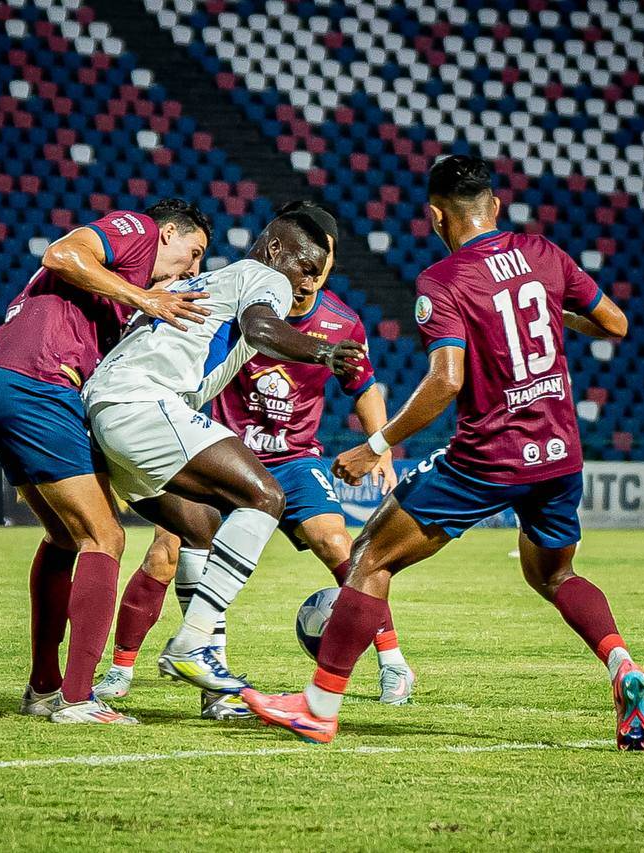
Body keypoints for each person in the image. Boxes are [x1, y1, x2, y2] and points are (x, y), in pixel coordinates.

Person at [242, 155, 644, 751]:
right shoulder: (545, 254)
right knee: (555, 573)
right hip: (559, 453)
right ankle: (621, 664)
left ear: (436, 216)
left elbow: (446, 380)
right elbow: (614, 324)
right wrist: (544, 315)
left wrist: (376, 445)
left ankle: (319, 708)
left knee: (369, 559)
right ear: (496, 206)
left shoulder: (445, 279)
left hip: (489, 456)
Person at [94, 203, 415, 717]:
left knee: (208, 529)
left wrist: (378, 445)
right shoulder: (260, 284)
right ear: (276, 249)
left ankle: (217, 683)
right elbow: (261, 329)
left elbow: (364, 386)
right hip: (183, 424)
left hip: (151, 419)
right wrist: (320, 352)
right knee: (242, 508)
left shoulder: (222, 289)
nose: (308, 280)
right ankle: (162, 654)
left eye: (321, 270)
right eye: (305, 266)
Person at [0, 200, 211, 724]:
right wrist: (144, 297)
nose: (193, 269)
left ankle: (43, 688)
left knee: (63, 537)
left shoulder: (116, 294)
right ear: (168, 232)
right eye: (193, 253)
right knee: (106, 537)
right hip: (37, 382)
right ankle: (78, 698)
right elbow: (61, 254)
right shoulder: (138, 230)